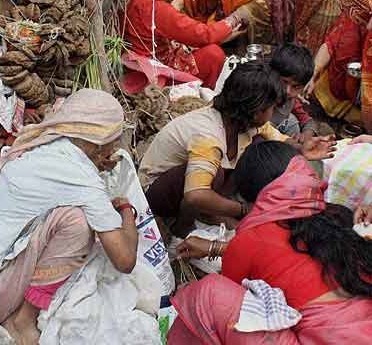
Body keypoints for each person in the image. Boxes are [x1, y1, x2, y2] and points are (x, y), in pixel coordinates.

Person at [0, 89, 139, 345]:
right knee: (77, 222)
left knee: (72, 215)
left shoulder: (50, 147)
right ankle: (23, 322)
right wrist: (128, 212)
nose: (116, 147)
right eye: (115, 138)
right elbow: (125, 260)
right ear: (99, 139)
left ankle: (22, 308)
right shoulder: (81, 175)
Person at [169, 140, 372, 343]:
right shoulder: (335, 217)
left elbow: (244, 299)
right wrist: (216, 248)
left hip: (325, 338)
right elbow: (283, 255)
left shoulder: (248, 239)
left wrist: (224, 250)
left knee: (208, 294)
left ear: (249, 197)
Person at [138, 62, 334, 236]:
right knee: (215, 177)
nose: (273, 113)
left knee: (258, 147)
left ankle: (212, 211)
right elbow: (194, 195)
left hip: (191, 188)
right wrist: (244, 209)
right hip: (157, 194)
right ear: (257, 111)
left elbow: (277, 139)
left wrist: (301, 149)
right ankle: (181, 229)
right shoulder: (208, 136)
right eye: (272, 108)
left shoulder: (245, 121)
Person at [118, 0, 242, 90]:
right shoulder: (153, 8)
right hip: (158, 71)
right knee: (214, 54)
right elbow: (203, 35)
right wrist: (233, 19)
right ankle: (200, 97)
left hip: (137, 64)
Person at [305, 0, 372, 130]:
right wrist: (312, 75)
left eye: (354, 10)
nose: (351, 15)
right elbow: (331, 43)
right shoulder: (356, 16)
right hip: (349, 87)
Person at [269, 43, 316, 140]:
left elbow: (307, 121)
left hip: (277, 134)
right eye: (283, 82)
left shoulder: (292, 100)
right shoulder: (259, 96)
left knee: (292, 123)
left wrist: (305, 137)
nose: (287, 91)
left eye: (296, 87)